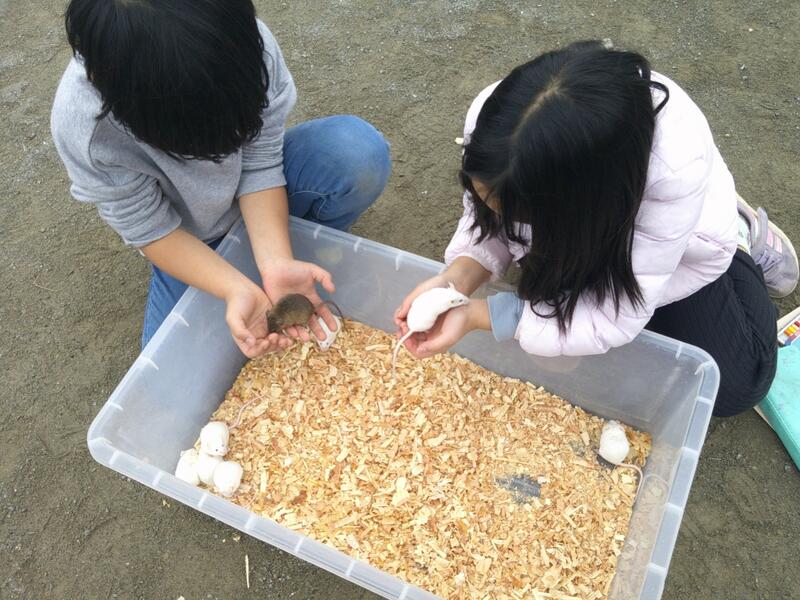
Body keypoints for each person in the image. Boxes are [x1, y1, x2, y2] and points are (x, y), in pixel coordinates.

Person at [394, 41, 798, 417]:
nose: (492, 209)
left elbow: (614, 316)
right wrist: (455, 281)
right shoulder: (497, 125)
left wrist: (480, 315)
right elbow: (485, 219)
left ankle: (740, 238)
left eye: (516, 212)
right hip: (584, 223)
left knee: (737, 383)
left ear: (582, 213)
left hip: (684, 244)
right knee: (558, 343)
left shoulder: (670, 179)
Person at [51, 0, 391, 357]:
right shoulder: (85, 127)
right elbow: (150, 229)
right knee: (172, 363)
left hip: (265, 192)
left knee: (356, 152)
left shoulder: (240, 46)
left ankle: (293, 248)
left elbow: (261, 159)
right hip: (188, 236)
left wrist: (275, 261)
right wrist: (233, 288)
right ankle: (245, 266)